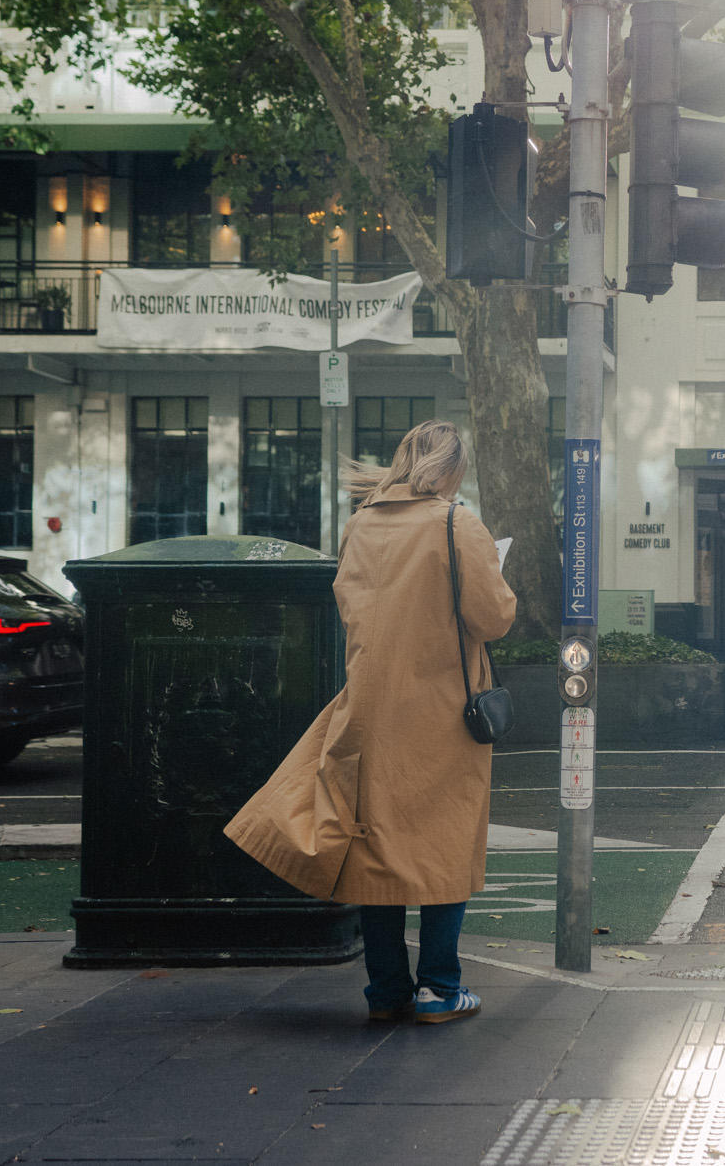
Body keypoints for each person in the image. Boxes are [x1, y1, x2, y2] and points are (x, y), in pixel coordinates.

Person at [226, 420, 515, 1026]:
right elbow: (492, 617)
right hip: (440, 712)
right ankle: (439, 987)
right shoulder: (455, 523)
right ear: (452, 467)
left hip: (369, 709)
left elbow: (353, 608)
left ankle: (387, 991)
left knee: (374, 848)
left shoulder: (359, 526)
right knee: (445, 847)